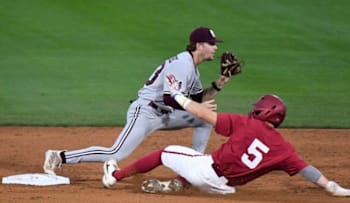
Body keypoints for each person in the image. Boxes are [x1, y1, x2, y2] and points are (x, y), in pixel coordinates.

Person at [101, 85, 350, 197]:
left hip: (205, 172)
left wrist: (178, 97)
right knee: (197, 161)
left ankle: (115, 175)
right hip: (224, 189)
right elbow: (308, 171)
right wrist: (332, 187)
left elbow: (204, 114)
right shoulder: (285, 150)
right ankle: (179, 185)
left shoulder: (247, 123)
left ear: (264, 111)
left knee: (164, 153)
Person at [43, 26, 234, 175]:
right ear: (199, 45)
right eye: (211, 43)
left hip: (166, 114)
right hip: (146, 112)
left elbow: (198, 98)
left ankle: (195, 165)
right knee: (116, 153)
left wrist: (220, 82)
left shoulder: (193, 68)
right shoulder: (182, 64)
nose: (215, 47)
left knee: (205, 118)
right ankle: (59, 156)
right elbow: (170, 98)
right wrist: (198, 107)